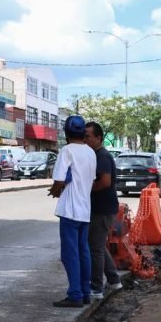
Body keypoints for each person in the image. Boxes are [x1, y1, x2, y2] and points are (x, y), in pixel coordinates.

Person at [48, 115, 97, 308]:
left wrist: (54, 191)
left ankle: (75, 294)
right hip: (85, 209)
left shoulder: (66, 151)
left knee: (70, 254)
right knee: (83, 252)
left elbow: (59, 179)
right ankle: (85, 292)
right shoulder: (91, 153)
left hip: (69, 210)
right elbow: (89, 180)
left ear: (66, 133)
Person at [83, 121, 122, 300]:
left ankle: (96, 287)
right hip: (101, 208)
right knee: (97, 245)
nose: (85, 139)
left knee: (95, 248)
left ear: (98, 138)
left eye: (88, 136)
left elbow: (105, 182)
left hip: (102, 209)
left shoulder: (102, 156)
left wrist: (85, 189)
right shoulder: (95, 155)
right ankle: (114, 279)